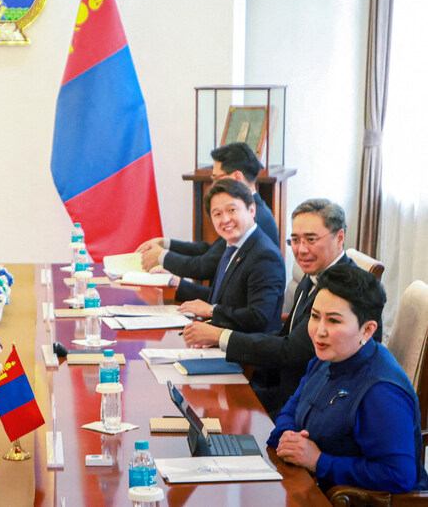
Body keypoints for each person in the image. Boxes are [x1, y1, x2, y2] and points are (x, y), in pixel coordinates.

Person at [182, 199, 356, 417]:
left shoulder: (343, 288)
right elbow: (286, 334)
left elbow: (291, 350)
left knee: (212, 410)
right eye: (295, 240)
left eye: (311, 240)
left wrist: (222, 336)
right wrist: (223, 342)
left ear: (339, 237)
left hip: (310, 406)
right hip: (286, 389)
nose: (301, 250)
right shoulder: (315, 274)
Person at [268, 265, 428, 493]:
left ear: (367, 330)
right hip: (307, 484)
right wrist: (287, 436)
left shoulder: (381, 391)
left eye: (333, 321)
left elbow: (398, 475)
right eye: (315, 316)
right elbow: (290, 411)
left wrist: (319, 461)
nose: (319, 331)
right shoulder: (328, 355)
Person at [136, 142, 279, 278]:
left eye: (216, 178)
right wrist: (166, 244)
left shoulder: (252, 218)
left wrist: (162, 257)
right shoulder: (254, 210)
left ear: (237, 177)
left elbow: (205, 265)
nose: (213, 185)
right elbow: (212, 250)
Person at [174, 178, 285, 333]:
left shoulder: (265, 255)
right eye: (217, 214)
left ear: (252, 210)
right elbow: (224, 298)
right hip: (220, 339)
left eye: (232, 210)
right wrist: (177, 285)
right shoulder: (232, 247)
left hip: (248, 351)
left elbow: (259, 317)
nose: (225, 220)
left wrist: (212, 311)